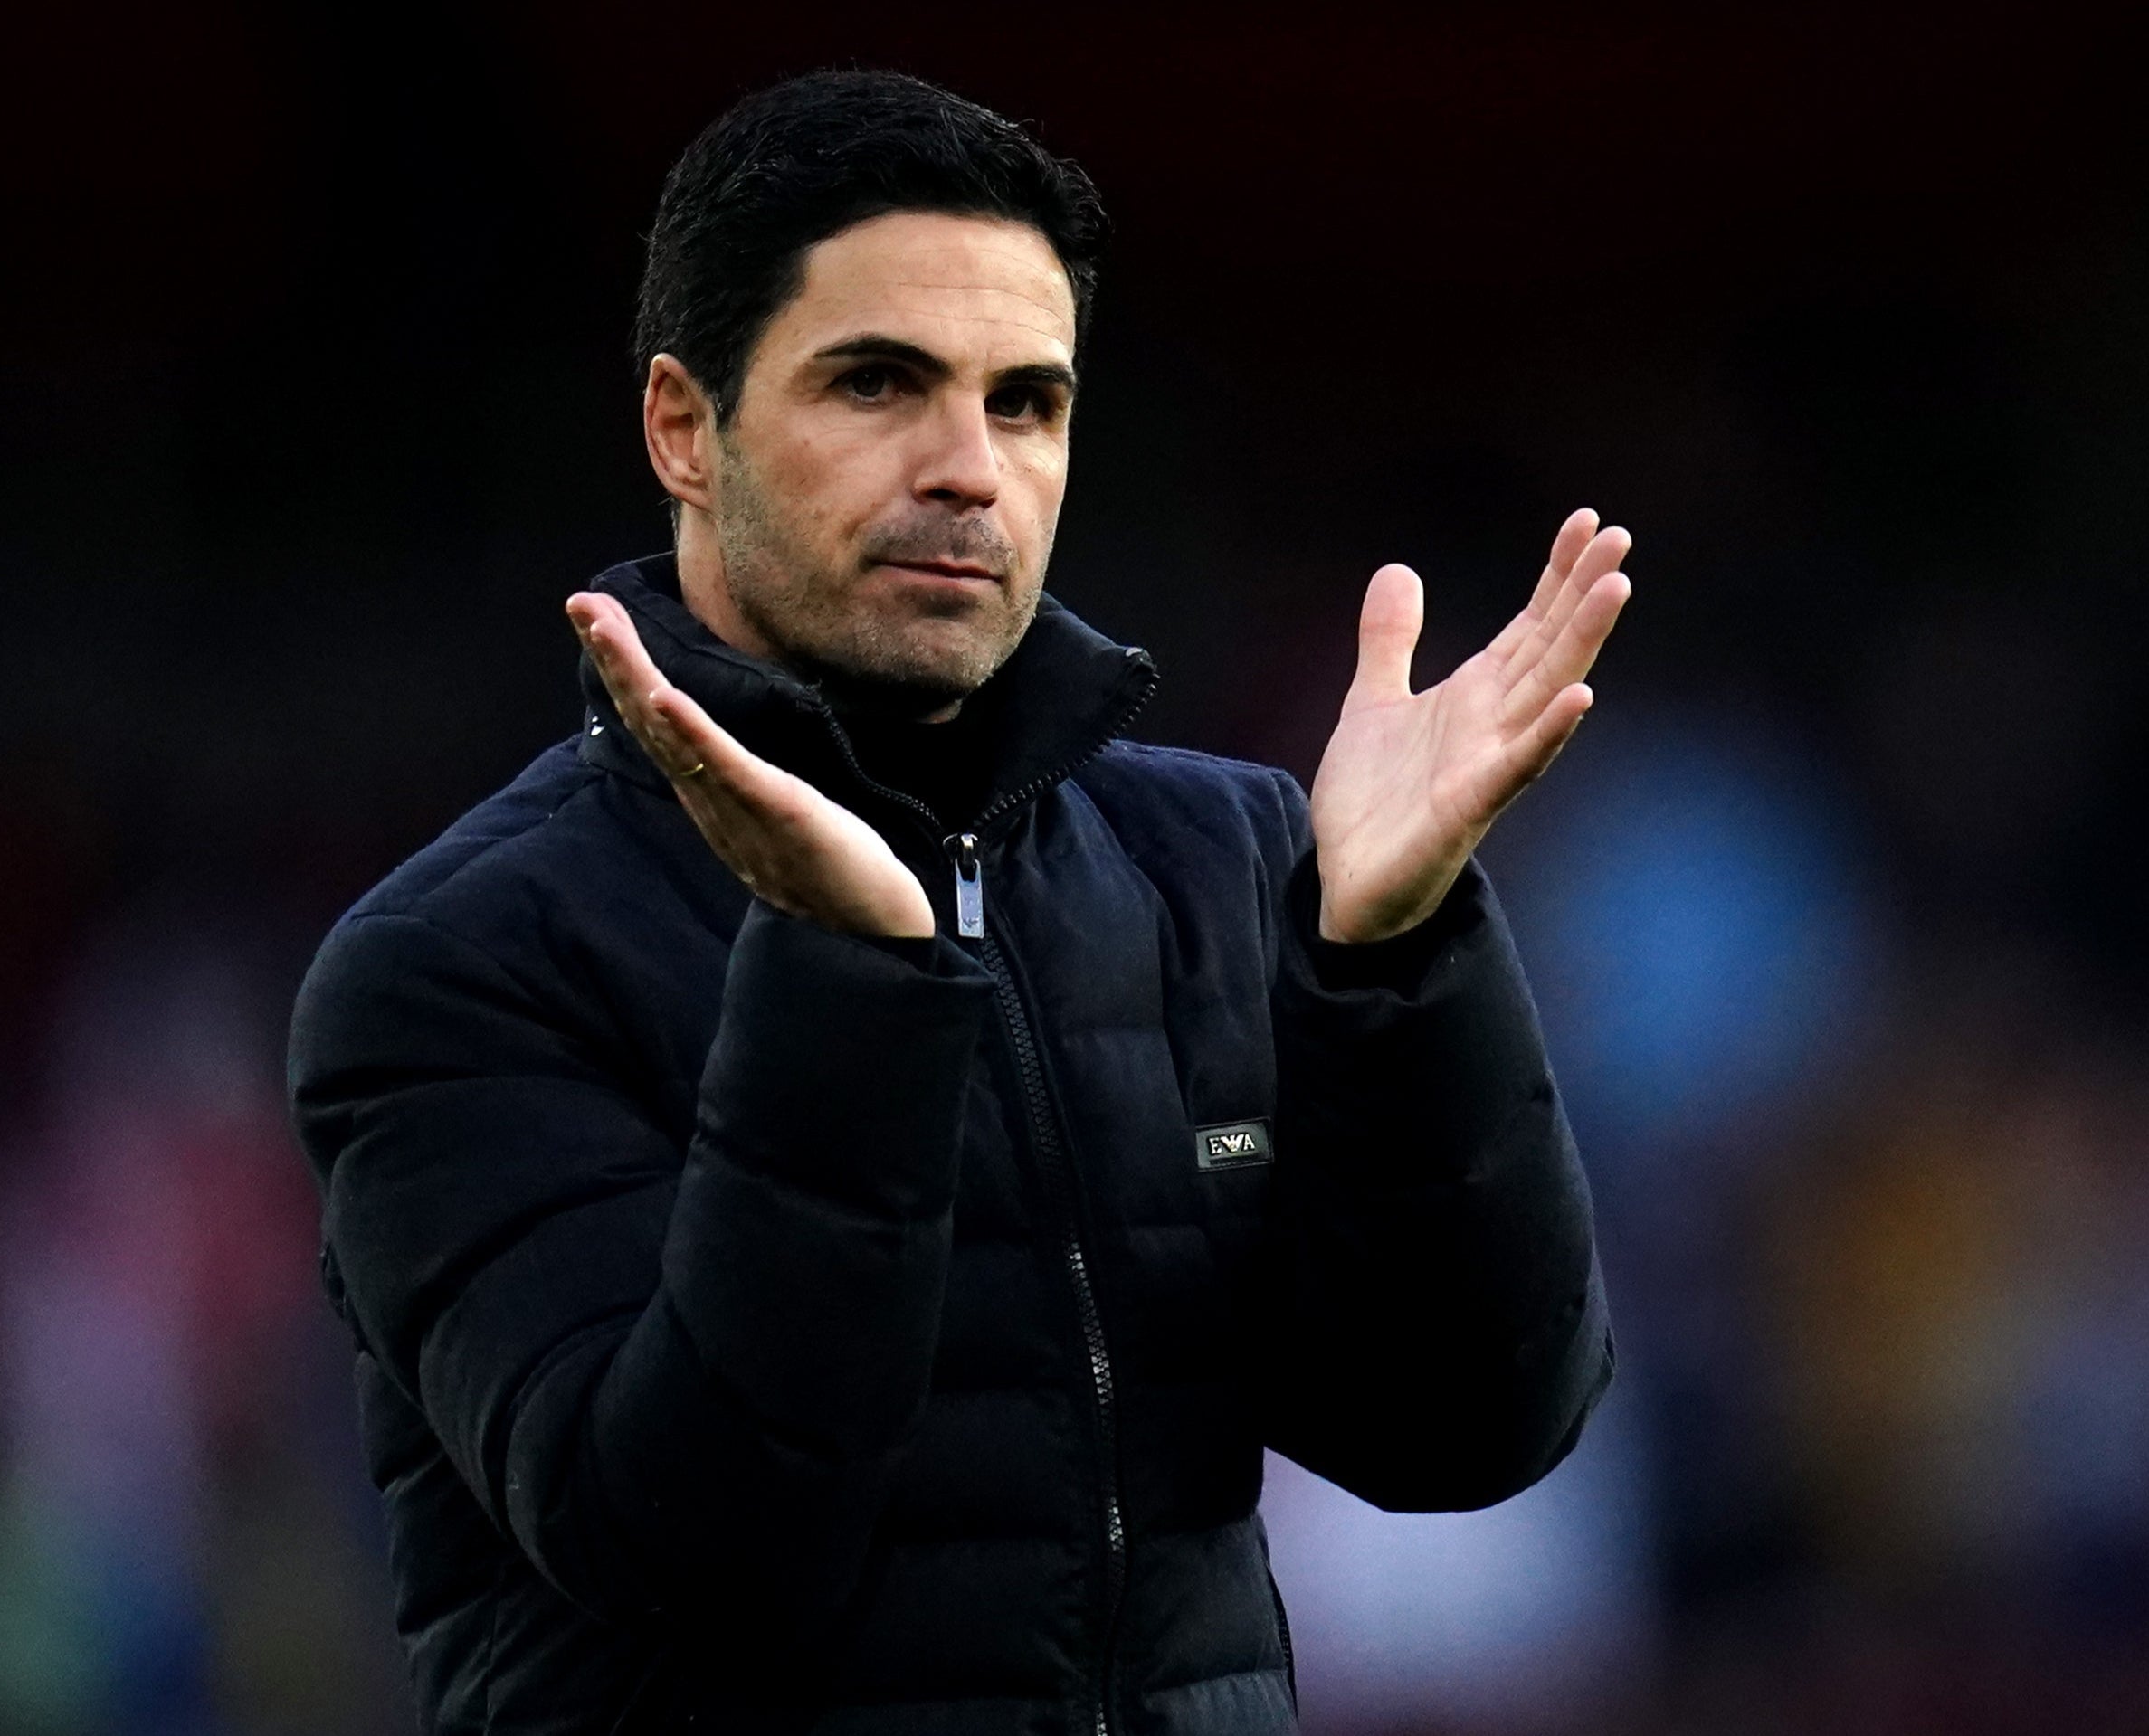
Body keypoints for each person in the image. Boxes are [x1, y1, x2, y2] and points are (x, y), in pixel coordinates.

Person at [287, 67, 1624, 1736]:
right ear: (682, 431)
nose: (970, 467)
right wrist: (850, 982)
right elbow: (692, 1543)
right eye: (878, 383)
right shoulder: (460, 964)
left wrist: (1398, 955)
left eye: (1028, 402)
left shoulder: (1215, 862)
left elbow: (1464, 1433)